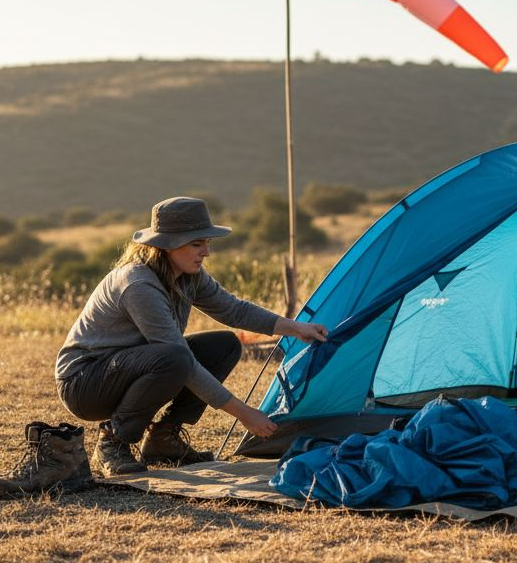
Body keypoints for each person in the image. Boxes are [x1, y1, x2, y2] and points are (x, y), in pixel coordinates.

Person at [55, 196, 328, 476]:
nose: (206, 252)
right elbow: (177, 357)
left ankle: (164, 439)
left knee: (224, 346)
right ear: (167, 245)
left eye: (207, 243)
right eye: (197, 244)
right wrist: (244, 414)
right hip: (84, 383)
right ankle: (113, 442)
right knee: (174, 357)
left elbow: (233, 310)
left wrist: (296, 327)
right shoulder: (138, 285)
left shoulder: (188, 275)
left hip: (129, 368)